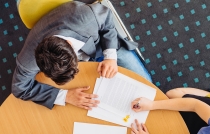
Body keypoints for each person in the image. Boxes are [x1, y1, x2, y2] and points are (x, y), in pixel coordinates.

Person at [12, 1, 152, 110]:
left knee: (147, 87)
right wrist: (65, 95)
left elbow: (107, 19)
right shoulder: (28, 60)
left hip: (102, 45)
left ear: (68, 43)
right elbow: (19, 88)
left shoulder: (87, 18)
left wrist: (110, 56)